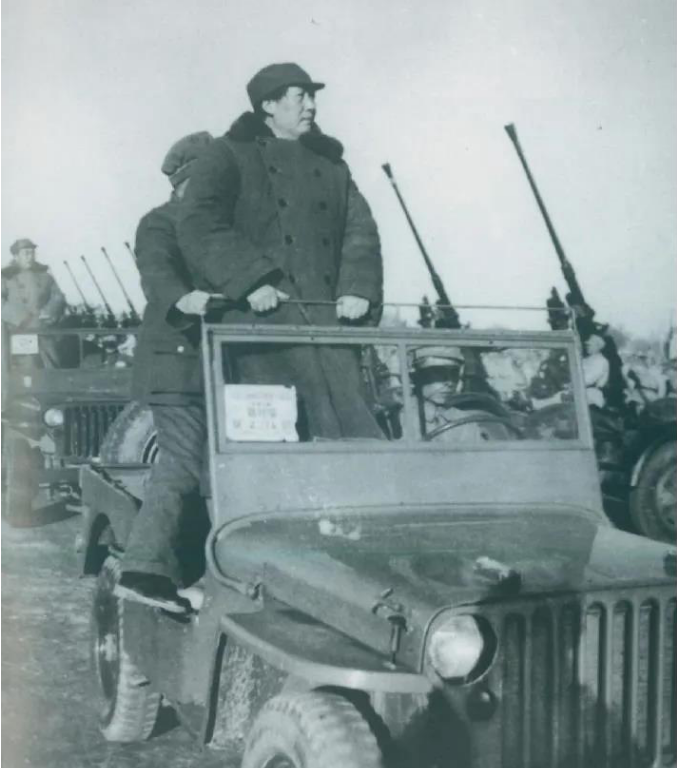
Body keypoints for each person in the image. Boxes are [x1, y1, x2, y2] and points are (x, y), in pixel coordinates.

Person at [116, 64, 384, 612]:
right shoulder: (187, 198)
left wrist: (357, 288)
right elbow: (175, 255)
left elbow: (360, 231)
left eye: (311, 96)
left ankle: (335, 571)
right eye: (297, 97)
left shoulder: (329, 167)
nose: (309, 105)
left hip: (295, 338)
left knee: (342, 446)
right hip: (214, 353)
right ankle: (162, 570)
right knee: (210, 462)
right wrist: (240, 283)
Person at [112, 131, 217, 612]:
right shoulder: (160, 223)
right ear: (187, 181)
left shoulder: (225, 229)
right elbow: (157, 272)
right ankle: (143, 569)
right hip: (177, 367)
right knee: (183, 459)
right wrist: (183, 297)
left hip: (225, 367)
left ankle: (211, 570)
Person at [412, 347, 513, 442]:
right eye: (439, 372)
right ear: (417, 375)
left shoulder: (462, 419)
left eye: (454, 372)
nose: (450, 382)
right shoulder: (405, 420)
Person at [2, 238, 66, 368]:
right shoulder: (6, 277)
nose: (30, 257)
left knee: (51, 365)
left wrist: (48, 313)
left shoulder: (45, 276)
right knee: (27, 367)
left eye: (32, 253)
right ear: (16, 256)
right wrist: (22, 318)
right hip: (19, 329)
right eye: (26, 253)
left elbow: (58, 297)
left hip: (43, 327)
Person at [582, 333, 609, 409]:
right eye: (587, 345)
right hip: (581, 392)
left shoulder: (601, 361)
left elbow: (588, 380)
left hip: (591, 395)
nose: (587, 347)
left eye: (589, 345)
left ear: (597, 346)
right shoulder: (586, 359)